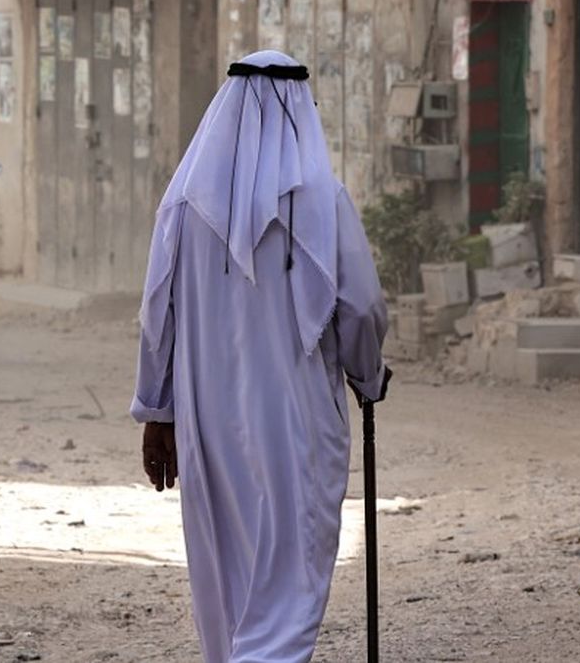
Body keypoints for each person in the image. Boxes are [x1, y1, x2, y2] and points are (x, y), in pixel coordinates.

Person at [131, 50, 391, 663]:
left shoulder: (184, 205)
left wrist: (158, 412)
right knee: (290, 566)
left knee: (227, 564)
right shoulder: (325, 201)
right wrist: (368, 376)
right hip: (295, 421)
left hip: (207, 419)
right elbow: (363, 308)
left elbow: (154, 318)